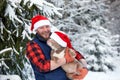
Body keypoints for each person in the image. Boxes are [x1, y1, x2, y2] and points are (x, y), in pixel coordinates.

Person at [26, 14, 88, 80]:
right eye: (41, 28)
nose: (45, 30)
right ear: (36, 30)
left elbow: (72, 51)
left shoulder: (56, 38)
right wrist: (64, 60)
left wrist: (84, 68)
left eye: (47, 26)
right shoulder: (33, 45)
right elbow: (42, 66)